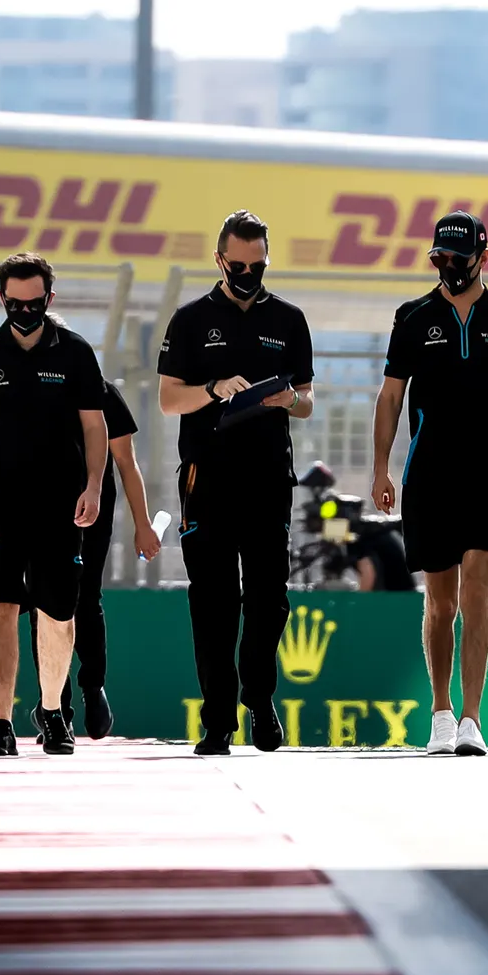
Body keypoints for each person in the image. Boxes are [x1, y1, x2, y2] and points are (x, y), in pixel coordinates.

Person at [371, 208, 488, 757]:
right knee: (440, 602)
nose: (448, 266)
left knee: (477, 585)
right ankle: (441, 713)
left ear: (483, 258)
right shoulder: (413, 317)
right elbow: (391, 396)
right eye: (438, 258)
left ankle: (472, 718)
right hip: (429, 474)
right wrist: (379, 468)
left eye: (458, 258)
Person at [156, 212, 316, 754]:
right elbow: (167, 399)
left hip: (269, 476)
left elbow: (308, 401)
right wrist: (215, 387)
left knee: (270, 599)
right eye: (239, 264)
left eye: (258, 264)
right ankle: (219, 720)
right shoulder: (190, 319)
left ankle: (260, 696)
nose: (248, 272)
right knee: (213, 602)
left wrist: (287, 399)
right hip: (207, 478)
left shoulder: (290, 320)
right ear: (220, 259)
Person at [0, 255, 108, 758]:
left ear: (49, 300)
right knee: (0, 607)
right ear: (2, 300)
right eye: (16, 304)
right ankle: (2, 722)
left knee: (58, 608)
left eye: (34, 304)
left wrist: (95, 484)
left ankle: (53, 712)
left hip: (61, 502)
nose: (25, 312)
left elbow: (95, 426)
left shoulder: (76, 353)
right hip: (0, 501)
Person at [63, 375, 160, 738]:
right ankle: (55, 703)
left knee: (86, 595)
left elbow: (126, 462)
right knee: (45, 603)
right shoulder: (27, 384)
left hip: (93, 509)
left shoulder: (103, 392)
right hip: (38, 509)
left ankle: (92, 687)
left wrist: (143, 524)